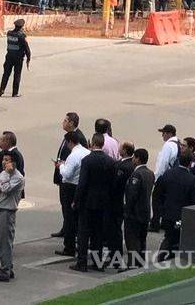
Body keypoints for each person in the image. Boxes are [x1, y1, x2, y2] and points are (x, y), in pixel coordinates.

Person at [71, 133, 116, 272]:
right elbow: (112, 184)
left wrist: (76, 200)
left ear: (92, 143)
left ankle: (82, 263)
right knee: (98, 233)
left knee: (83, 232)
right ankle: (97, 263)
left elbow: (82, 183)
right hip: (103, 202)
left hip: (87, 202)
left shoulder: (87, 160)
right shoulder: (110, 161)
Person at [154, 153, 195, 259]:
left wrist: (160, 209)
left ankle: (165, 255)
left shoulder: (168, 174)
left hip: (167, 213)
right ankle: (164, 256)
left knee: (169, 235)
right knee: (174, 237)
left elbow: (158, 193)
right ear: (190, 164)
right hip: (181, 216)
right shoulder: (192, 179)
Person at [52, 113, 87, 244]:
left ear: (72, 123)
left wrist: (62, 167)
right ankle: (66, 228)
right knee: (64, 206)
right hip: (64, 176)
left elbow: (79, 162)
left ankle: (71, 233)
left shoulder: (79, 139)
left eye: (66, 120)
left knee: (69, 208)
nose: (63, 122)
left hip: (71, 179)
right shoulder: (69, 136)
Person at [0, 155, 24, 282]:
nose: (4, 162)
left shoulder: (18, 178)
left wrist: (4, 180)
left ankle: (5, 270)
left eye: (7, 160)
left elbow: (6, 189)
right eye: (3, 160)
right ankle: (8, 267)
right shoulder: (3, 173)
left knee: (5, 242)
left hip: (7, 212)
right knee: (0, 241)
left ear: (13, 163)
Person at [55, 132, 90, 258]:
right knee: (79, 218)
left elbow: (67, 174)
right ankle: (79, 244)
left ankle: (69, 246)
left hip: (70, 187)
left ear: (70, 142)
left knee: (69, 217)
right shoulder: (86, 152)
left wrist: (61, 166)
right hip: (82, 186)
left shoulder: (73, 155)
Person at [122, 149, 154, 270]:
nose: (133, 160)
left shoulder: (137, 174)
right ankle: (140, 264)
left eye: (134, 157)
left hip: (135, 214)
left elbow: (132, 196)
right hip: (145, 212)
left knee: (132, 241)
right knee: (142, 240)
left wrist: (127, 211)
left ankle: (133, 265)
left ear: (138, 159)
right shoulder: (150, 173)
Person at [0, 19, 30, 98]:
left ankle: (1, 89)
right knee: (17, 75)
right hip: (18, 58)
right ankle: (15, 93)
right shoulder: (21, 36)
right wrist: (28, 59)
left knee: (6, 74)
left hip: (9, 56)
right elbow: (27, 48)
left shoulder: (9, 33)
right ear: (22, 26)